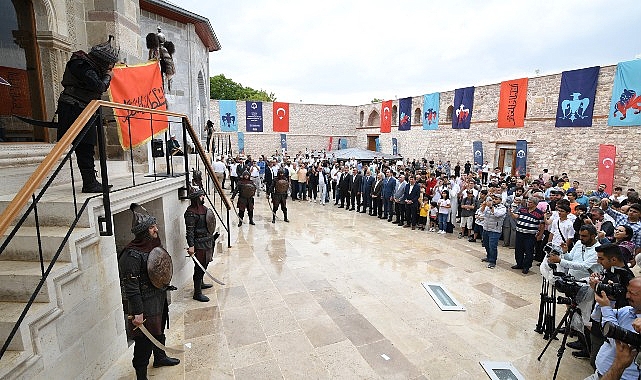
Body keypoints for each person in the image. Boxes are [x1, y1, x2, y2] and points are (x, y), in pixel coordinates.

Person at [119, 203, 180, 379]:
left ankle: (160, 357)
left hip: (158, 298)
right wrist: (137, 312)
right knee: (143, 342)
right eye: (152, 227)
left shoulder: (153, 247)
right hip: (143, 305)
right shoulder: (131, 255)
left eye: (155, 226)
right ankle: (141, 375)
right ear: (144, 231)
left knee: (159, 329)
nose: (156, 229)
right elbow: (131, 288)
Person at [56, 35, 119, 193]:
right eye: (109, 64)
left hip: (83, 109)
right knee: (84, 147)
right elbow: (98, 86)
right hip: (74, 109)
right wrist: (107, 77)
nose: (110, 67)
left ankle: (91, 181)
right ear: (102, 61)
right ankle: (89, 183)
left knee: (87, 146)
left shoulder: (88, 65)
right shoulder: (81, 64)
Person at [587, 277, 641, 380]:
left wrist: (606, 307)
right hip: (599, 374)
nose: (627, 295)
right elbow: (598, 318)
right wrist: (609, 300)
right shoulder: (628, 310)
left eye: (632, 293)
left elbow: (618, 343)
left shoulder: (639, 325)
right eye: (627, 291)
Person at [184, 186, 220, 302]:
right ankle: (197, 293)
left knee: (205, 264)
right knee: (199, 268)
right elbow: (189, 232)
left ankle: (202, 283)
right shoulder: (190, 213)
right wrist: (191, 246)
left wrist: (212, 237)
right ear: (196, 198)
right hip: (199, 244)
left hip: (208, 241)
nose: (203, 197)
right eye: (201, 196)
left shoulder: (204, 209)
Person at [480, 193, 507, 268]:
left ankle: (492, 261)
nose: (494, 200)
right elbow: (482, 212)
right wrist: (484, 205)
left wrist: (491, 206)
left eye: (496, 199)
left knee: (492, 246)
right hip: (486, 228)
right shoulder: (488, 206)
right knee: (486, 244)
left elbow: (497, 214)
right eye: (493, 199)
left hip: (495, 230)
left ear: (500, 200)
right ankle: (489, 257)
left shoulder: (502, 208)